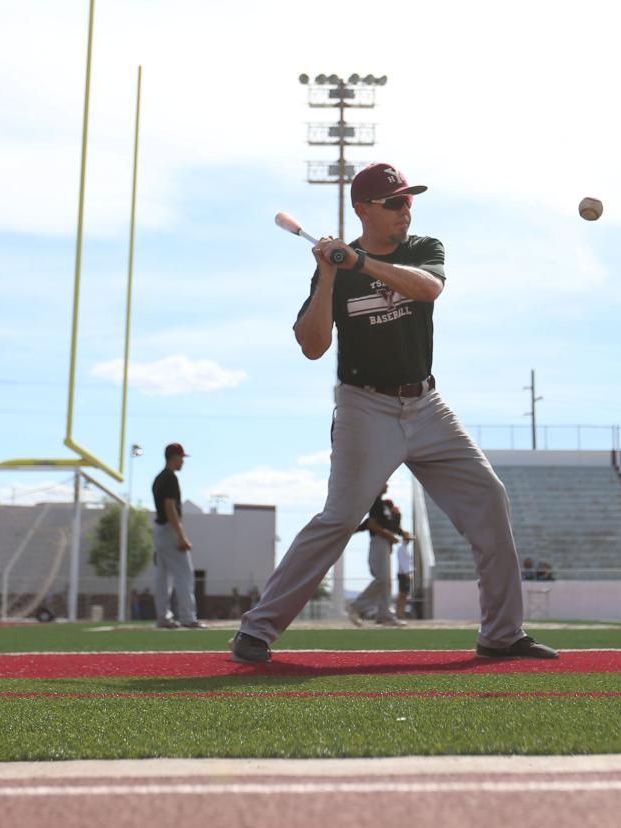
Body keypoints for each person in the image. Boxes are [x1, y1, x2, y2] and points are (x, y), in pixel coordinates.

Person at [231, 162, 557, 663]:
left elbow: (428, 289)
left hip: (426, 404)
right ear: (365, 210)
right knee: (338, 519)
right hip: (365, 406)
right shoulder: (336, 270)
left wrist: (358, 262)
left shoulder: (423, 249)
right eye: (396, 202)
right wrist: (326, 275)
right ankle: (258, 629)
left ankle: (501, 634)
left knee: (489, 497)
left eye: (409, 200)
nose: (407, 209)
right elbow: (312, 346)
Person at [151, 443, 207, 629]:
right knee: (184, 575)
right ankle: (188, 617)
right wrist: (181, 536)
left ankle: (163, 617)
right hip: (169, 530)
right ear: (174, 457)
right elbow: (170, 508)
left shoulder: (158, 478)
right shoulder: (170, 478)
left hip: (159, 530)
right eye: (181, 457)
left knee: (162, 578)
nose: (183, 461)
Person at [347, 487, 403, 626]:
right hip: (379, 542)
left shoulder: (384, 505)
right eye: (385, 482)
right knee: (382, 580)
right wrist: (389, 535)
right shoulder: (376, 502)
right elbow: (371, 524)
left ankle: (384, 615)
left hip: (385, 544)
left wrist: (400, 532)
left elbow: (390, 526)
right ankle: (356, 606)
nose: (387, 485)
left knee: (386, 582)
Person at [395, 530, 414, 620]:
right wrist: (407, 573)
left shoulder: (407, 548)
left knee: (405, 594)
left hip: (406, 574)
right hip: (403, 574)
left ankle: (401, 612)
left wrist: (410, 572)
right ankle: (398, 613)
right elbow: (402, 562)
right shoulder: (401, 549)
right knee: (402, 594)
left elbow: (408, 562)